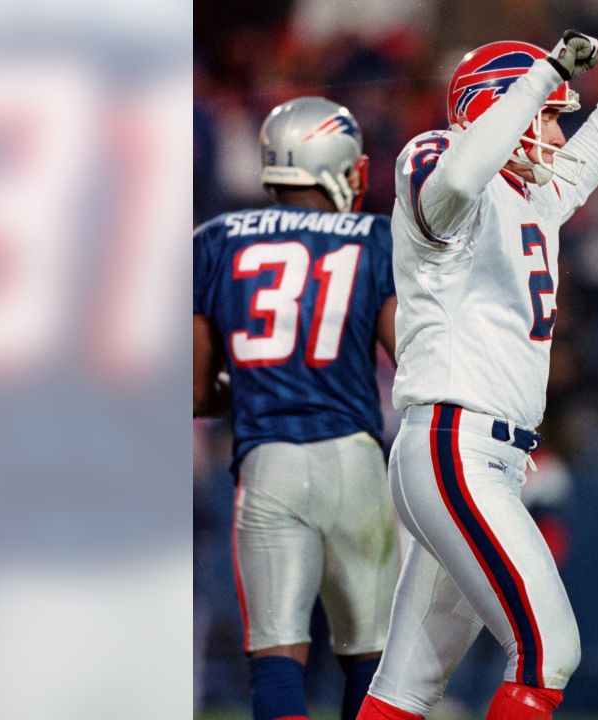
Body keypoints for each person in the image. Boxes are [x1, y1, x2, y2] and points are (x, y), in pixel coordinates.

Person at [356, 31, 598, 720]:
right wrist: (543, 73)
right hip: (453, 442)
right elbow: (463, 178)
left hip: (482, 453)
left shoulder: (527, 198)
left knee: (405, 690)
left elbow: (578, 172)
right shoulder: (439, 160)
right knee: (547, 650)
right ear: (500, 108)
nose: (559, 133)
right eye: (551, 114)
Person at [193, 96, 400, 720]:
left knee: (277, 656)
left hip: (268, 464)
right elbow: (411, 360)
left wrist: (252, 385)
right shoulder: (376, 238)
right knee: (373, 659)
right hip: (357, 461)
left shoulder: (217, 240)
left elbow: (195, 392)